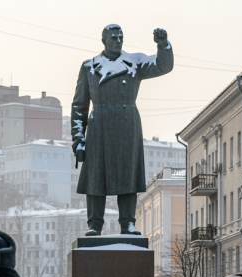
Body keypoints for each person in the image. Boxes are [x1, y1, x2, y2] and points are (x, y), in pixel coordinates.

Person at [71, 24, 174, 236]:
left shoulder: (134, 62)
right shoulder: (89, 67)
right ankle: (94, 224)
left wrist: (163, 45)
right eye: (114, 38)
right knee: (95, 178)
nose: (118, 41)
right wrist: (78, 139)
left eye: (120, 37)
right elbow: (79, 106)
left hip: (127, 126)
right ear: (104, 41)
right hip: (98, 128)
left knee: (128, 176)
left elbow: (162, 66)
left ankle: (128, 222)